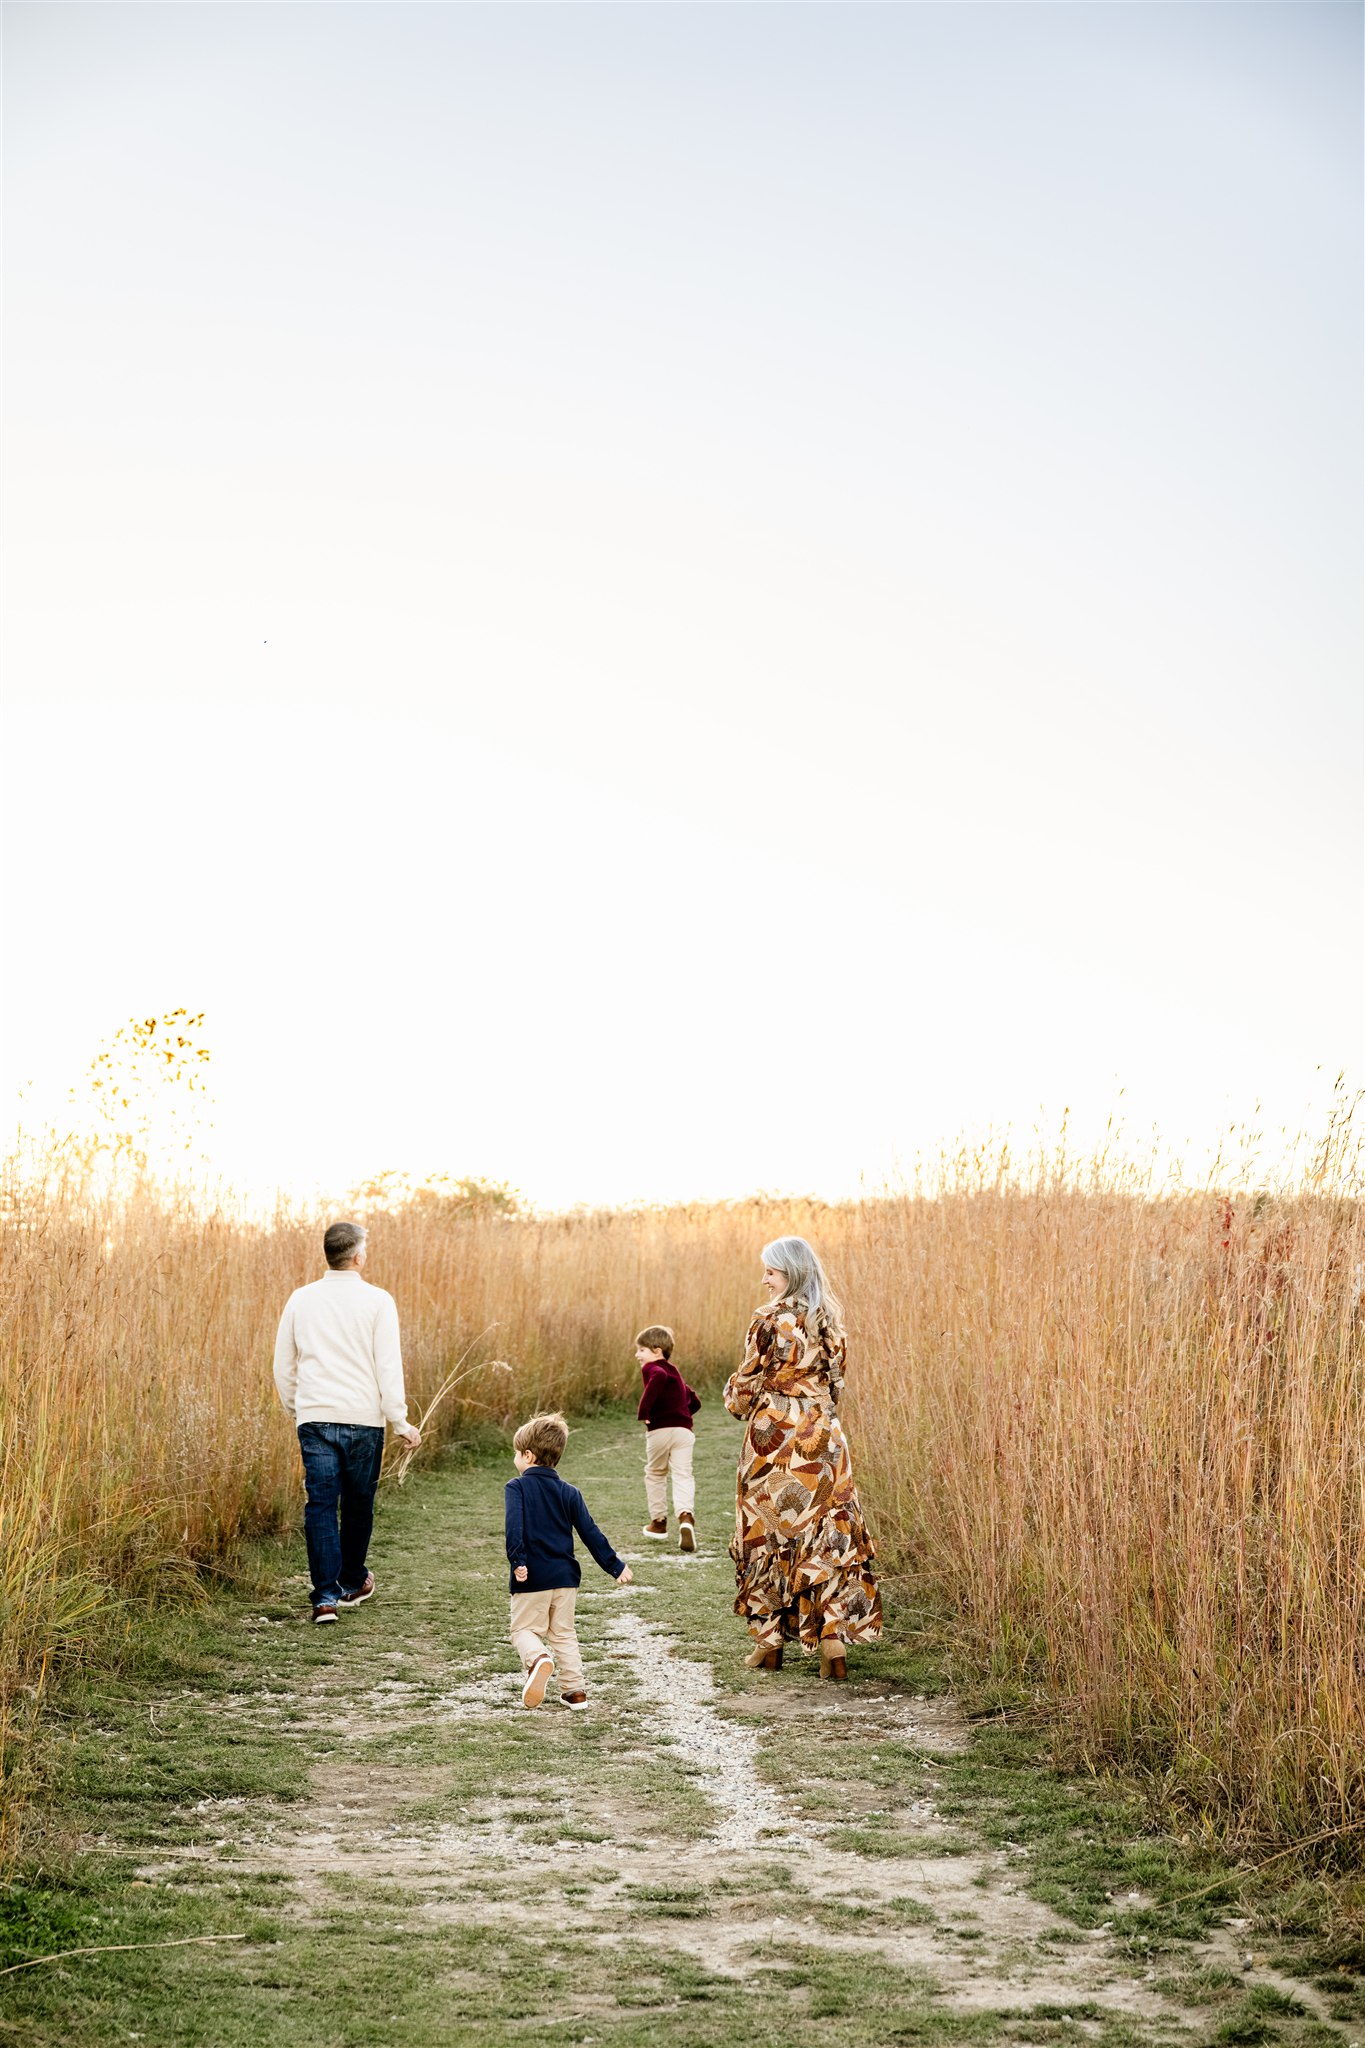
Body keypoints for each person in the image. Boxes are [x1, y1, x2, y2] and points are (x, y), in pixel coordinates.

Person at [724, 1235, 882, 1679]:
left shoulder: (769, 1318)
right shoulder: (830, 1320)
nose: (764, 1280)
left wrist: (735, 1401)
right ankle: (831, 1643)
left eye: (770, 1272)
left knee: (766, 1530)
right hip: (824, 1434)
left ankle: (769, 1640)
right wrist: (815, 1411)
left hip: (772, 1437)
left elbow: (746, 1386)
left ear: (790, 1273)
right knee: (825, 1529)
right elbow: (838, 1386)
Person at [273, 1220, 420, 1624]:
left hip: (315, 1417)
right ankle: (353, 1581)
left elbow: (283, 1365)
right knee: (358, 1505)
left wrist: (296, 1408)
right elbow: (388, 1366)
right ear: (357, 1256)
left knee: (320, 1505)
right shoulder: (378, 1300)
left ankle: (324, 1599)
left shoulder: (301, 1299)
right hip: (363, 1420)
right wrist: (401, 1421)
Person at [506, 1411, 633, 1710]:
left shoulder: (517, 1487)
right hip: (565, 1578)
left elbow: (514, 1529)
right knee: (563, 1633)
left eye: (516, 1452)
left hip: (532, 1575)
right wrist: (615, 1565)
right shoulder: (570, 1492)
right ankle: (575, 1692)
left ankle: (538, 1659)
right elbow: (590, 1532)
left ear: (528, 1455)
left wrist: (518, 1561)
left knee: (523, 1630)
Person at [635, 1323, 702, 1551]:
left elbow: (657, 1377)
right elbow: (694, 1399)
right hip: (683, 1431)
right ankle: (685, 1517)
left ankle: (659, 1522)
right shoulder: (675, 1372)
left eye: (641, 1350)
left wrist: (644, 1412)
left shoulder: (655, 1369)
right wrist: (682, 1415)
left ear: (656, 1351)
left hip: (660, 1430)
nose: (637, 1355)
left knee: (655, 1473)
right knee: (683, 1474)